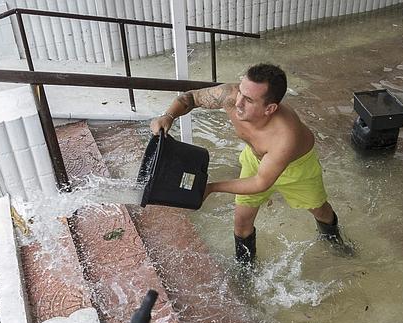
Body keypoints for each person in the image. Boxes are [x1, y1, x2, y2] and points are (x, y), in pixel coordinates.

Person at [150, 63, 352, 264]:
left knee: (320, 210)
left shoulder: (285, 136)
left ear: (270, 108)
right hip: (256, 160)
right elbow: (190, 98)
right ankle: (246, 271)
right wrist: (168, 116)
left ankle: (335, 243)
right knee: (241, 223)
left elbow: (260, 183)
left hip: (297, 169)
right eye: (241, 91)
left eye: (248, 100)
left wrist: (211, 188)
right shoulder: (230, 95)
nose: (238, 102)